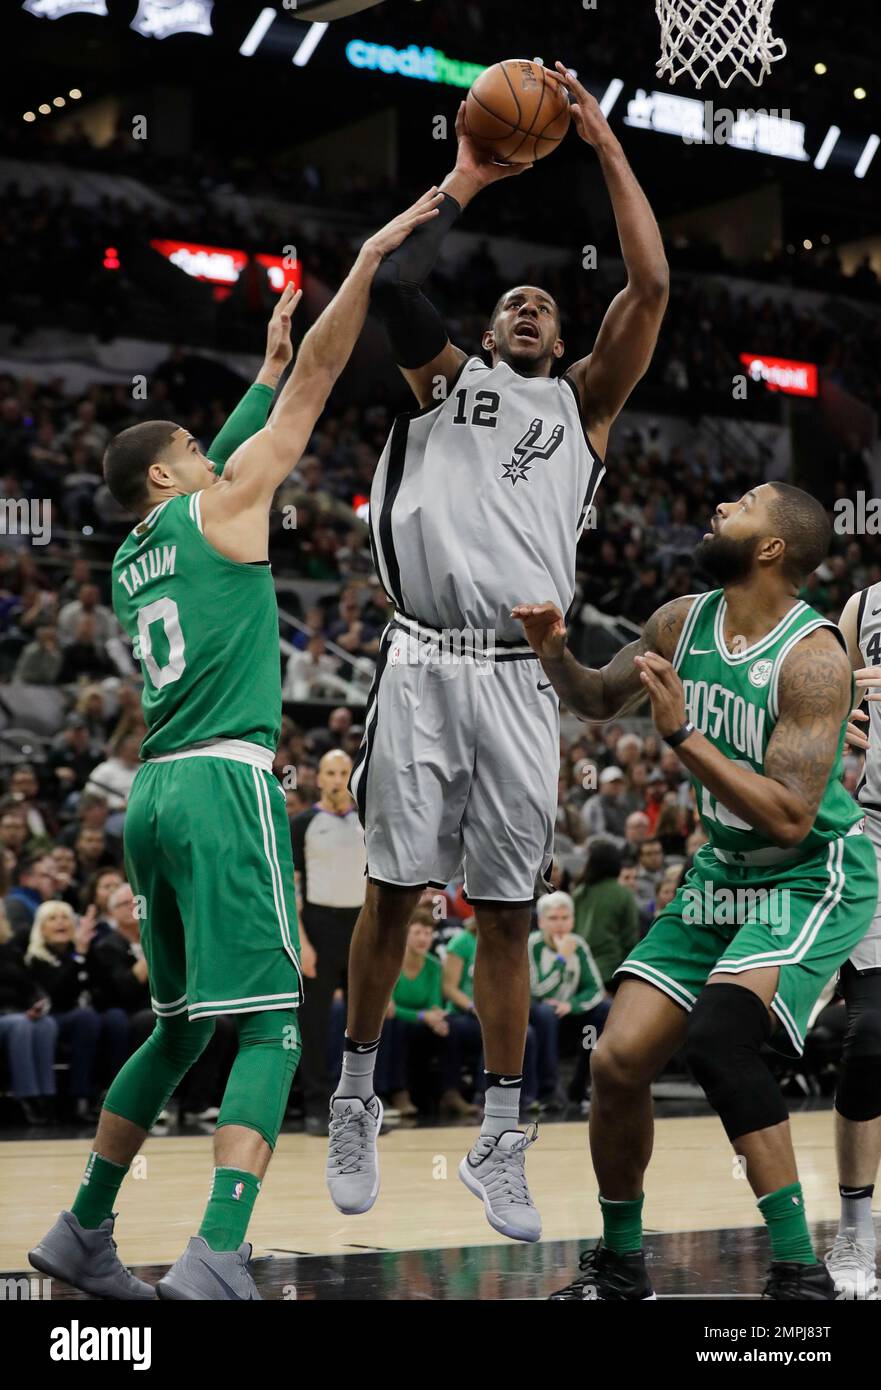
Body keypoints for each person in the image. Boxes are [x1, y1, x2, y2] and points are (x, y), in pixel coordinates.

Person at [28, 191, 442, 1302]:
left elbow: (225, 445)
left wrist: (254, 369)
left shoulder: (133, 553)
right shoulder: (218, 505)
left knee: (171, 1031)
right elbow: (312, 391)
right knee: (267, 1028)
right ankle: (217, 1249)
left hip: (149, 800)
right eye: (195, 455)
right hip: (222, 782)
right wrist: (361, 266)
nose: (220, 461)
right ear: (171, 475)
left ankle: (82, 1229)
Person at [332, 63, 668, 1242]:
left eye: (543, 303)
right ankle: (357, 1092)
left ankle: (502, 1139)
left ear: (565, 336)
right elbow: (390, 277)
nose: (527, 305)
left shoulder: (581, 412)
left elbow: (651, 282)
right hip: (423, 659)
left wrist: (601, 141)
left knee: (508, 913)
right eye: (510, 302)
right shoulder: (444, 385)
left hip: (524, 677)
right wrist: (468, 176)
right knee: (389, 891)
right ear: (484, 332)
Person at [514, 480, 876, 1300]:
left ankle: (797, 1271)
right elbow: (600, 702)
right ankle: (619, 1264)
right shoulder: (680, 621)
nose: (717, 509)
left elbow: (789, 818)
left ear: (773, 547)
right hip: (721, 874)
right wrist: (552, 653)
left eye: (741, 504)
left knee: (717, 1038)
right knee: (615, 1060)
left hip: (810, 872)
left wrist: (681, 734)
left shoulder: (814, 657)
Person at [822, 587, 881, 1296]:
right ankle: (855, 1232)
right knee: (869, 1036)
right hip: (871, 833)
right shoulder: (860, 606)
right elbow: (832, 714)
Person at [290, 748, 366, 1135]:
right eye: (330, 772)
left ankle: (359, 1104)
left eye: (343, 772)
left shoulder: (368, 820)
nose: (337, 779)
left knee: (362, 1022)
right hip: (318, 926)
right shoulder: (303, 823)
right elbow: (292, 888)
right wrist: (302, 941)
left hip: (360, 923)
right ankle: (317, 1105)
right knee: (315, 1022)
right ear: (318, 778)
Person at [528, 892, 610, 1108]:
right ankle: (549, 1090)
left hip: (570, 1014)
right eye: (553, 918)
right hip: (536, 1014)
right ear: (541, 921)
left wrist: (571, 1005)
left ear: (573, 920)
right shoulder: (531, 945)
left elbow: (595, 989)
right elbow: (537, 990)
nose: (560, 924)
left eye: (565, 918)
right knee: (546, 1012)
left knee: (603, 1011)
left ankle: (583, 1084)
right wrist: (561, 959)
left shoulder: (578, 945)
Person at [375, 907, 450, 1116]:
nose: (423, 938)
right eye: (417, 932)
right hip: (394, 1022)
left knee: (449, 1029)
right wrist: (421, 1016)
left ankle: (446, 1095)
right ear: (405, 935)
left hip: (420, 1023)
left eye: (427, 933)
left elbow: (434, 1006)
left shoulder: (434, 966)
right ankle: (392, 1093)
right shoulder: (392, 963)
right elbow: (388, 1009)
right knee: (393, 1024)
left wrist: (437, 1019)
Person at [572, 839, 641, 989]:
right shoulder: (624, 894)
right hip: (612, 973)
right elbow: (630, 939)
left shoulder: (578, 893)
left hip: (579, 972)